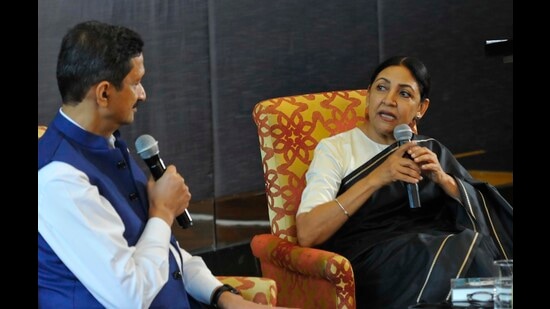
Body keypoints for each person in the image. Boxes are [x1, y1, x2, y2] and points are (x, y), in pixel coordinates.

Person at [38, 20, 293, 309]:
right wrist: (162, 212)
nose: (143, 94)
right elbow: (130, 297)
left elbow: (162, 250)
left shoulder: (109, 144)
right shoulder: (59, 179)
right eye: (135, 83)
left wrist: (222, 295)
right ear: (104, 93)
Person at [295, 56, 513, 309]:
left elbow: (488, 216)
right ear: (368, 95)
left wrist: (442, 180)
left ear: (422, 108)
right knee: (466, 255)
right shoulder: (336, 149)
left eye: (405, 94)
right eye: (381, 87)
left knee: (473, 250)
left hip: (438, 255)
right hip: (376, 264)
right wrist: (377, 178)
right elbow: (308, 232)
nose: (389, 100)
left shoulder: (429, 150)